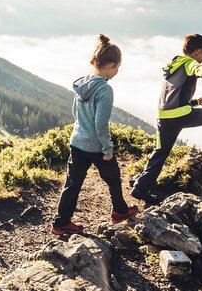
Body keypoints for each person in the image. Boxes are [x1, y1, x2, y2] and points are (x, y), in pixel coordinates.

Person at [52, 34, 139, 235]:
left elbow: (76, 113)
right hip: (94, 145)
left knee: (72, 183)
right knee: (113, 176)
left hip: (77, 141)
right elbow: (101, 124)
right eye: (117, 67)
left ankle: (60, 223)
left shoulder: (82, 84)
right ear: (110, 65)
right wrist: (107, 148)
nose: (117, 71)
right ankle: (119, 211)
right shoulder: (105, 90)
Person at [130, 33, 202, 202]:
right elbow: (198, 69)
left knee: (160, 153)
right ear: (198, 52)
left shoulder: (174, 65)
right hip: (181, 115)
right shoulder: (190, 63)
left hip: (164, 116)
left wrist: (194, 101)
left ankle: (140, 187)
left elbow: (175, 95)